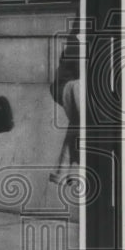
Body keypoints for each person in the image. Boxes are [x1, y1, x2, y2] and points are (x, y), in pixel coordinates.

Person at [50, 32, 82, 184]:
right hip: (68, 84)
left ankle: (66, 168)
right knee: (83, 91)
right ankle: (74, 165)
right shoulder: (85, 24)